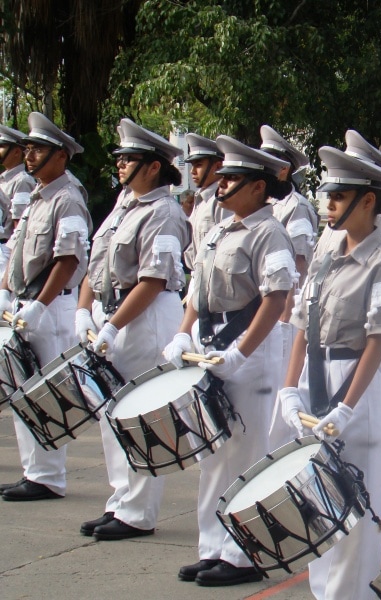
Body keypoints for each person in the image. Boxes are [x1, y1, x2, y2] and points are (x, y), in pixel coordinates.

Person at [279, 142, 381, 600]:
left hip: (356, 384)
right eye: (327, 195)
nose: (328, 204)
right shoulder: (327, 251)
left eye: (338, 196)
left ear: (368, 200)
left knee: (355, 507)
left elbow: (378, 340)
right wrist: (288, 388)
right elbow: (302, 321)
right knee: (319, 505)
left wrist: (347, 406)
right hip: (315, 376)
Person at [163, 136, 295, 587]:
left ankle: (243, 554)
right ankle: (213, 546)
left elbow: (276, 298)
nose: (222, 185)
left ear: (259, 187)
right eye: (222, 177)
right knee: (213, 454)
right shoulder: (221, 229)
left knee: (244, 453)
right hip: (209, 342)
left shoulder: (270, 232)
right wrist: (183, 332)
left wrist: (240, 353)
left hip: (248, 352)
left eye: (233, 179)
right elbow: (197, 291)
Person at [75, 118, 189, 541]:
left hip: (145, 317)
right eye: (120, 159)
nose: (120, 165)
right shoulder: (124, 205)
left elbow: (153, 279)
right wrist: (85, 311)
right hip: (114, 313)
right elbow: (96, 262)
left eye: (129, 159)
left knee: (139, 415)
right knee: (111, 414)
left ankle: (139, 511)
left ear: (153, 167)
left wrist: (112, 326)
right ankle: (121, 500)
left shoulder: (164, 213)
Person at [0, 112, 91, 502]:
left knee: (43, 391)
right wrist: (7, 291)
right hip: (25, 302)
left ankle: (49, 476)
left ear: (60, 156)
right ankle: (34, 471)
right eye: (30, 148)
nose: (30, 154)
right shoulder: (39, 196)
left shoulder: (68, 198)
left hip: (49, 308)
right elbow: (17, 250)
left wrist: (38, 305)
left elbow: (67, 259)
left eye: (39, 149)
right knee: (22, 390)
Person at [259, 125, 318, 389]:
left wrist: (283, 323)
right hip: (258, 307)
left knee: (279, 385)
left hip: (281, 310)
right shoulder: (258, 202)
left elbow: (298, 267)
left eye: (266, 164)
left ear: (283, 170)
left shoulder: (296, 208)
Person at [315, 130, 381, 261]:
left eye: (339, 197)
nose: (330, 206)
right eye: (330, 196)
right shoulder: (340, 221)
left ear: (368, 201)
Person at [182, 133, 227, 272]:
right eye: (192, 165)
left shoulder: (222, 199)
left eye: (199, 165)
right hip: (198, 276)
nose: (192, 171)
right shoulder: (200, 200)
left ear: (218, 166)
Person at [0, 125, 35, 273]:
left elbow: (19, 223)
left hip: (6, 248)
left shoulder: (22, 181)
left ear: (16, 151)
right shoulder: (4, 179)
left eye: (1, 146)